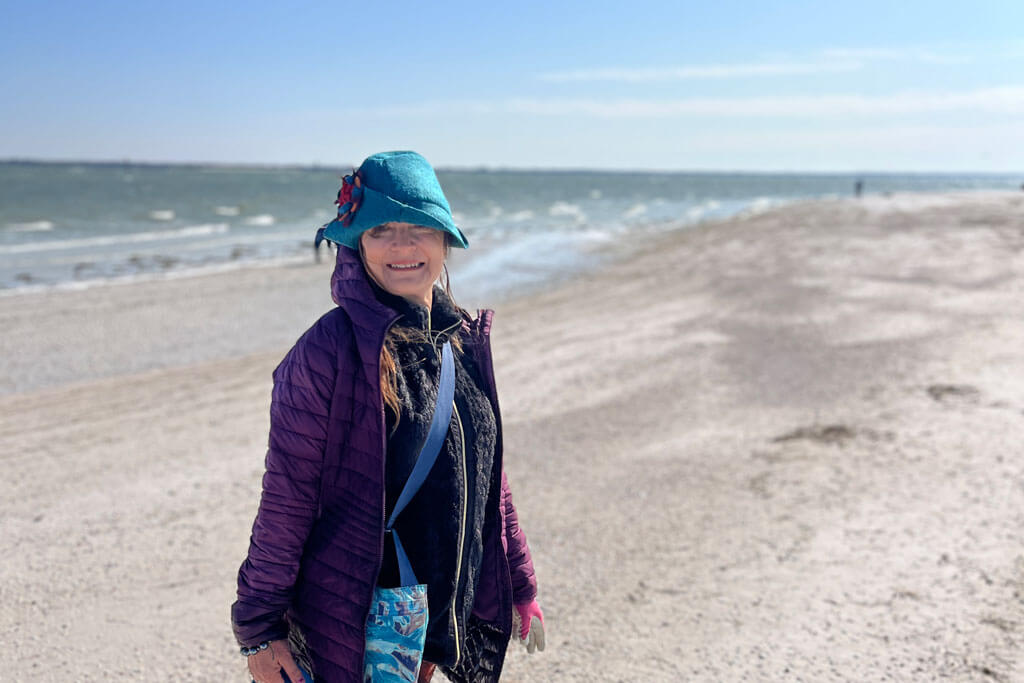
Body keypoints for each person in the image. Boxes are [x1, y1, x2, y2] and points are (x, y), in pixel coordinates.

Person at [232, 151, 545, 683]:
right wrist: (259, 628)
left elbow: (489, 475)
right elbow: (287, 496)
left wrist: (519, 583)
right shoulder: (327, 352)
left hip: (436, 614)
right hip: (361, 618)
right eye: (382, 230)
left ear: (445, 240)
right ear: (356, 243)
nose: (402, 246)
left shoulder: (459, 340)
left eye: (419, 227)